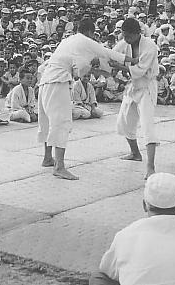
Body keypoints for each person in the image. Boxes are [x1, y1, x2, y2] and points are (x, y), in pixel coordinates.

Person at [38, 18, 134, 180]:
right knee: (61, 122)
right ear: (90, 32)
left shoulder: (69, 41)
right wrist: (134, 61)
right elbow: (109, 53)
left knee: (48, 121)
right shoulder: (85, 41)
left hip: (46, 81)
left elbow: (79, 70)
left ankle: (48, 158)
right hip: (57, 82)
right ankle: (59, 167)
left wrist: (99, 68)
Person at [112, 18, 160, 179]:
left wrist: (119, 66)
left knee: (147, 125)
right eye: (124, 36)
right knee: (124, 121)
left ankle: (150, 167)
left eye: (128, 36)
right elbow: (114, 54)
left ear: (137, 33)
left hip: (147, 85)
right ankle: (135, 153)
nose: (125, 39)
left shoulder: (150, 46)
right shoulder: (124, 42)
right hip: (133, 85)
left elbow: (140, 70)